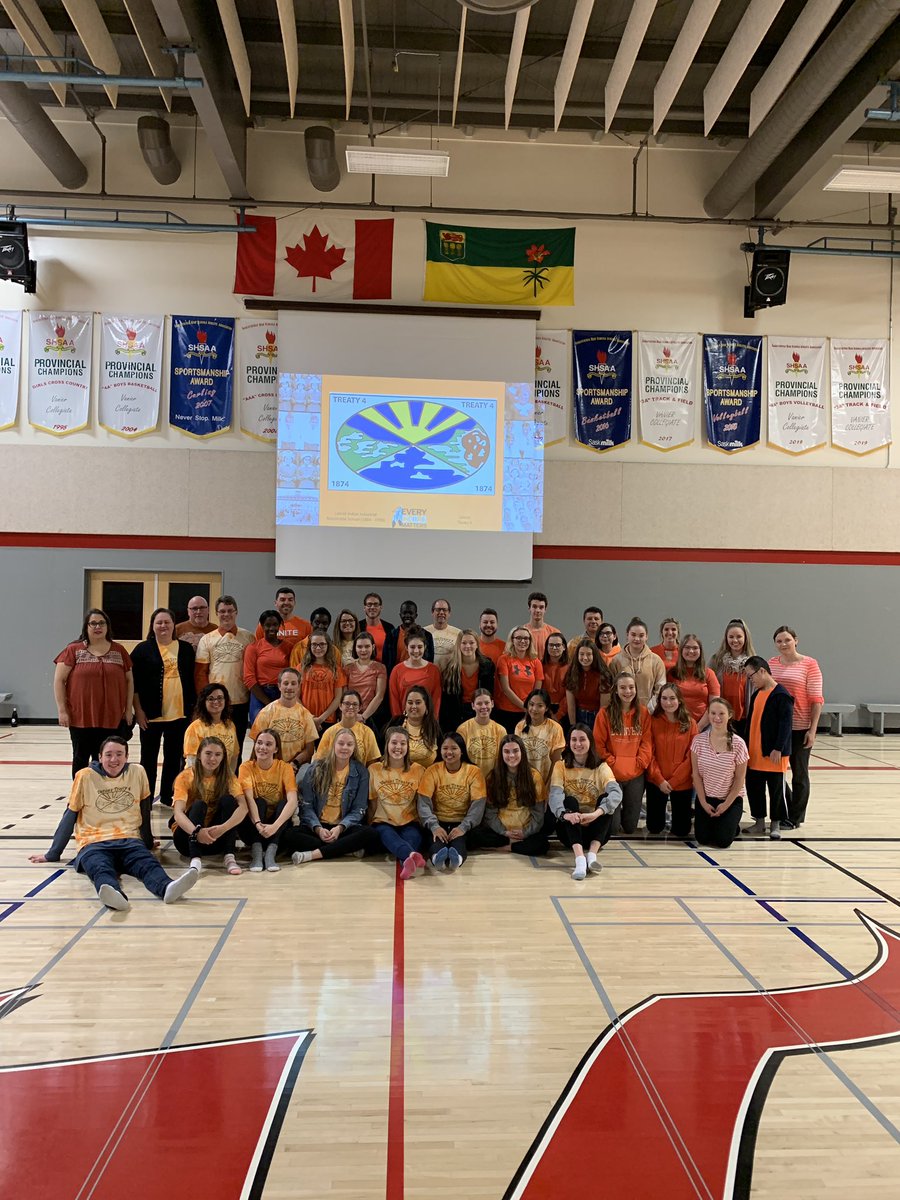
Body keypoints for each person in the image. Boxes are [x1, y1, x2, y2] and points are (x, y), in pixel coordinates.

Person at [28, 735, 199, 909]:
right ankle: (113, 894)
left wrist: (146, 842)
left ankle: (167, 887)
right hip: (93, 842)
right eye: (108, 754)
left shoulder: (138, 772)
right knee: (99, 868)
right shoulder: (85, 776)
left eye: (119, 754)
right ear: (100, 757)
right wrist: (53, 853)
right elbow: (69, 816)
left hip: (129, 839)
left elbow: (144, 812)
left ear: (126, 756)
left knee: (148, 864)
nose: (114, 759)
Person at [54, 608, 134, 778]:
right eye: (93, 623)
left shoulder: (119, 651)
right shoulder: (73, 650)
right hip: (81, 717)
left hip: (112, 717)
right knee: (80, 759)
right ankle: (79, 797)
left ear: (107, 626)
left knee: (109, 759)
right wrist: (62, 710)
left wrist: (128, 710)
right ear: (87, 627)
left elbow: (129, 681)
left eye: (102, 623)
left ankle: (105, 797)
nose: (98, 627)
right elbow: (59, 681)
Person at [131, 606, 195, 806]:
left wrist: (193, 710)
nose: (163, 626)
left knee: (174, 757)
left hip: (179, 714)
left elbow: (192, 681)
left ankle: (168, 795)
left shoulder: (185, 649)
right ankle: (146, 796)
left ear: (173, 625)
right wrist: (138, 711)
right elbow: (134, 684)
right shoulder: (142, 650)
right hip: (151, 714)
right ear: (152, 626)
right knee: (148, 757)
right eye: (159, 622)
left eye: (167, 622)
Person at [284, 729, 372, 864]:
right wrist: (318, 829)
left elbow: (359, 809)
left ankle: (312, 855)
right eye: (341, 743)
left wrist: (340, 828)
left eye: (349, 744)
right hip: (319, 825)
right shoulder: (316, 768)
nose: (344, 748)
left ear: (354, 748)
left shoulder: (361, 772)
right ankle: (344, 849)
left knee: (370, 833)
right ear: (333, 745)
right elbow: (306, 806)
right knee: (289, 835)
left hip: (343, 827)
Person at [549, 725, 622, 879]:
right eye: (574, 740)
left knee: (606, 800)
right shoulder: (560, 766)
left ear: (590, 742)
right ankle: (580, 859)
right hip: (570, 831)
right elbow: (555, 795)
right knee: (569, 801)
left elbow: (616, 793)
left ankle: (592, 856)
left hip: (596, 831)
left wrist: (596, 814)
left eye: (582, 739)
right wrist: (564, 815)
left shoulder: (601, 767)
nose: (578, 744)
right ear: (568, 743)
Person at [768, 626, 824, 829]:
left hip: (800, 727)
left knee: (799, 773)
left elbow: (816, 699)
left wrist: (813, 729)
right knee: (775, 773)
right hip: (778, 728)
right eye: (779, 641)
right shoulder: (772, 664)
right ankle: (788, 808)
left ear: (796, 640)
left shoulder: (810, 664)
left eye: (787, 640)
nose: (783, 644)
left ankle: (796, 817)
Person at [171, 736, 247, 874]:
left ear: (223, 758)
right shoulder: (186, 776)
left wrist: (222, 828)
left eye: (218, 755)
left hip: (215, 838)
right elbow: (178, 813)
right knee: (199, 805)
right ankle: (195, 860)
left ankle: (229, 856)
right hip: (186, 840)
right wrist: (197, 832)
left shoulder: (228, 777)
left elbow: (243, 807)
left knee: (229, 801)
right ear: (199, 755)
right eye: (208, 753)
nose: (212, 759)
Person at [194, 595, 254, 758]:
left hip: (240, 701)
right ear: (216, 613)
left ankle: (233, 781)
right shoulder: (207, 640)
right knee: (213, 747)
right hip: (215, 704)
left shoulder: (248, 637)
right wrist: (205, 701)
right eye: (222, 611)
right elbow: (200, 674)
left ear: (236, 613)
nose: (226, 614)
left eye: (230, 611)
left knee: (237, 748)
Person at [470, 734, 549, 856]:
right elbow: (490, 813)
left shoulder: (534, 776)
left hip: (526, 831)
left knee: (543, 844)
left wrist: (525, 833)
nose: (511, 755)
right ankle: (514, 844)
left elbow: (538, 814)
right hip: (501, 832)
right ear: (501, 754)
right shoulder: (493, 777)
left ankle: (508, 847)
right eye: (507, 752)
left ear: (522, 752)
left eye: (515, 751)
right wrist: (504, 832)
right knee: (474, 834)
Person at [417, 732, 487, 870]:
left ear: (462, 751)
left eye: (454, 748)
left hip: (462, 822)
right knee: (436, 840)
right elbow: (423, 803)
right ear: (440, 750)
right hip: (438, 820)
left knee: (460, 840)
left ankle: (457, 859)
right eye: (445, 748)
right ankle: (438, 858)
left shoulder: (474, 772)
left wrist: (463, 827)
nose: (449, 752)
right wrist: (434, 826)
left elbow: (477, 805)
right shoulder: (432, 770)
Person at [593, 671, 651, 836]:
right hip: (612, 774)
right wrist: (613, 763)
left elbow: (647, 743)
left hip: (636, 773)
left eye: (631, 687)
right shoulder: (604, 714)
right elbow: (599, 746)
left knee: (630, 827)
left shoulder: (644, 713)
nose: (628, 691)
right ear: (616, 690)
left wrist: (639, 763)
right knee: (613, 829)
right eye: (623, 687)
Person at [742, 657, 793, 840]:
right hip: (755, 753)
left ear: (762, 671)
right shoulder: (757, 694)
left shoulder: (781, 695)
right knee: (755, 788)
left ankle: (776, 823)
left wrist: (778, 748)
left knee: (776, 790)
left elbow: (785, 725)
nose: (751, 680)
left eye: (751, 676)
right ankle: (759, 822)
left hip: (773, 755)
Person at [368, 728, 426, 879]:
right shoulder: (374, 769)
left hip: (410, 821)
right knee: (388, 835)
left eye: (403, 743)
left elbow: (422, 802)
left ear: (408, 746)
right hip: (383, 822)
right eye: (394, 743)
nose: (398, 747)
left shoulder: (418, 770)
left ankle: (407, 859)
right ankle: (411, 855)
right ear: (387, 744)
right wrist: (370, 823)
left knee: (411, 838)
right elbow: (373, 802)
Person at [691, 697, 748, 849]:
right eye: (713, 713)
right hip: (707, 798)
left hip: (730, 799)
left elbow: (739, 779)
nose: (717, 718)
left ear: (729, 715)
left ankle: (731, 824)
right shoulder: (698, 741)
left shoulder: (738, 744)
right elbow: (696, 775)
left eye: (721, 714)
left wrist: (725, 804)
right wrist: (703, 802)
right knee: (703, 839)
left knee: (722, 842)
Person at [239, 728, 299, 871]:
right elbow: (248, 799)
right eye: (259, 743)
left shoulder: (285, 768)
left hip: (276, 828)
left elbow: (293, 801)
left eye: (268, 744)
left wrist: (275, 826)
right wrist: (258, 824)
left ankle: (270, 854)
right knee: (258, 801)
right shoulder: (246, 767)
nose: (262, 747)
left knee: (284, 803)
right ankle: (257, 853)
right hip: (254, 826)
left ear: (276, 748)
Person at [647, 683, 698, 838]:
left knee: (682, 831)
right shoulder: (652, 722)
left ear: (679, 700)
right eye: (664, 698)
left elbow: (691, 757)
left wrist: (675, 781)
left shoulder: (690, 723)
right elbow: (648, 754)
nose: (668, 702)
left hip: (681, 783)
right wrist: (659, 779)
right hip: (657, 781)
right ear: (659, 700)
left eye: (672, 698)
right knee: (654, 828)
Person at [249, 668, 318, 769]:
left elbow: (309, 750)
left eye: (293, 683)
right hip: (270, 767)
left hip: (295, 768)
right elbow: (257, 748)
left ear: (299, 686)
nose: (289, 687)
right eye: (286, 683)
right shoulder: (266, 713)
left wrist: (294, 763)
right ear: (279, 686)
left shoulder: (305, 715)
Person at [243, 609, 291, 723]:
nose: (272, 628)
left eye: (275, 624)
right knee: (261, 731)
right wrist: (268, 703)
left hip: (283, 693)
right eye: (267, 625)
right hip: (260, 694)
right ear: (262, 626)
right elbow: (248, 678)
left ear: (280, 625)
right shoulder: (253, 647)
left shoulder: (289, 647)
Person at [709, 619, 756, 734]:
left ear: (745, 638)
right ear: (726, 638)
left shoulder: (753, 662)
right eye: (731, 637)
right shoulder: (716, 660)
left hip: (744, 720)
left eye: (739, 636)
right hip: (720, 718)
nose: (735, 640)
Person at [441, 630, 495, 729]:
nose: (468, 646)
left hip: (480, 711)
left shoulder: (487, 665)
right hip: (457, 714)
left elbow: (490, 693)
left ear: (477, 645)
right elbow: (447, 700)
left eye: (471, 642)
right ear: (459, 645)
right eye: (464, 643)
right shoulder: (451, 668)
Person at [610, 618, 666, 711]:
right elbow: (612, 688)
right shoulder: (617, 660)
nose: (637, 639)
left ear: (646, 637)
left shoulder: (656, 660)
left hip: (648, 713)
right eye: (633, 635)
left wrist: (650, 708)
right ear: (627, 635)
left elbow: (660, 688)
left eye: (641, 635)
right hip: (622, 712)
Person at [496, 627, 545, 732]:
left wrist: (529, 708)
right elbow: (506, 689)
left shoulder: (536, 662)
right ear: (512, 640)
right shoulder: (504, 659)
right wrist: (525, 707)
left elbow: (536, 692)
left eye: (526, 638)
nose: (522, 641)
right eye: (518, 638)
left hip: (529, 713)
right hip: (507, 712)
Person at [295, 632, 346, 732]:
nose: (318, 648)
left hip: (328, 720)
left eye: (322, 644)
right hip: (305, 718)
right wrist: (310, 717)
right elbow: (296, 697)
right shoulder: (301, 668)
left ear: (328, 646)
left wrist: (320, 719)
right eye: (314, 644)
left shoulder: (336, 669)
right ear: (310, 646)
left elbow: (338, 697)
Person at [515, 688, 565, 787]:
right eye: (531, 704)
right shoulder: (520, 726)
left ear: (546, 708)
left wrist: (548, 786)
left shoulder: (555, 728)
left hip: (547, 781)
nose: (534, 709)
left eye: (540, 706)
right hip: (525, 782)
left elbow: (556, 762)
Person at [313, 691, 381, 765]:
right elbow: (320, 760)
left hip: (359, 775)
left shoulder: (367, 732)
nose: (351, 707)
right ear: (340, 706)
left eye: (355, 704)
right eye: (347, 704)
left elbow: (372, 763)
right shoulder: (330, 732)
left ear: (360, 707)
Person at [184, 683, 240, 771]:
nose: (216, 702)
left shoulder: (230, 725)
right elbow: (192, 762)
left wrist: (229, 778)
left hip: (223, 779)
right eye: (211, 699)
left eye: (220, 698)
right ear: (204, 702)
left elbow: (234, 756)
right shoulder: (195, 728)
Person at [383, 686, 442, 768]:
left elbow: (441, 758)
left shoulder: (434, 727)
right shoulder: (395, 723)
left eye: (418, 703)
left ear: (427, 706)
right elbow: (382, 754)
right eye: (410, 703)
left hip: (426, 777)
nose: (413, 706)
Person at [668, 634, 719, 728]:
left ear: (700, 651)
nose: (691, 651)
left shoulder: (709, 673)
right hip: (676, 724)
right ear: (681, 650)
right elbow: (666, 703)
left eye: (695, 648)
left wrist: (698, 727)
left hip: (704, 725)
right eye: (687, 647)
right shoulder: (672, 673)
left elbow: (714, 705)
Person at [389, 628, 442, 717]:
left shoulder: (434, 670)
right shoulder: (397, 670)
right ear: (406, 647)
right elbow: (394, 701)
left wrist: (432, 723)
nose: (416, 651)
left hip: (427, 722)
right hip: (404, 723)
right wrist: (399, 723)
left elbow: (436, 700)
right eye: (412, 647)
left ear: (425, 647)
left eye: (420, 647)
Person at [457, 688, 507, 777]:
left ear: (492, 704)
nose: (484, 707)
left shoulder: (500, 730)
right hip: (469, 779)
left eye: (487, 703)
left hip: (493, 780)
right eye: (479, 703)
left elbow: (502, 760)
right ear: (473, 706)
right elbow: (459, 759)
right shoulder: (463, 729)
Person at [565, 639, 614, 728]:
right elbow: (571, 705)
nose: (585, 658)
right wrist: (573, 726)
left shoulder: (603, 675)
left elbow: (604, 707)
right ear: (577, 655)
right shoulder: (572, 673)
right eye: (582, 654)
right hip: (578, 715)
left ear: (594, 655)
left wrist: (600, 727)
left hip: (597, 716)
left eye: (588, 654)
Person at [345, 631, 388, 726]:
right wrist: (351, 714)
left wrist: (363, 716)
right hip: (349, 715)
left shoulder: (380, 668)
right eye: (360, 647)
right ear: (355, 648)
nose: (363, 650)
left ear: (373, 647)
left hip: (371, 717)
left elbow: (379, 696)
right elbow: (344, 694)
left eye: (367, 646)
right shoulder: (348, 668)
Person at [384, 600, 435, 671]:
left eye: (410, 613)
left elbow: (430, 660)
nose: (407, 616)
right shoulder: (391, 636)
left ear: (416, 615)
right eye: (404, 613)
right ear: (400, 615)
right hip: (398, 675)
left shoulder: (427, 636)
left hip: (421, 675)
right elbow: (386, 660)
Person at [425, 598, 461, 670]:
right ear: (432, 612)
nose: (441, 612)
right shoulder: (423, 632)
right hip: (428, 675)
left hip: (450, 676)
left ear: (449, 613)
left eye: (444, 610)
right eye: (438, 610)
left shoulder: (458, 633)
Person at [359, 591, 395, 663]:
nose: (372, 607)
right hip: (362, 670)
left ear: (381, 607)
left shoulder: (389, 628)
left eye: (376, 604)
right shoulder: (358, 626)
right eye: (369, 604)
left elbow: (393, 652)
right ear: (364, 608)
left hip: (384, 670)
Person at [541, 632, 569, 722]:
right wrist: (547, 711)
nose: (554, 648)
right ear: (546, 647)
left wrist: (559, 714)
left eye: (557, 645)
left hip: (565, 711)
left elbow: (569, 695)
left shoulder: (570, 667)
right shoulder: (539, 665)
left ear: (564, 647)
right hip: (543, 710)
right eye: (551, 645)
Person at [524, 591, 559, 657]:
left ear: (545, 609)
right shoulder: (521, 633)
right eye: (534, 606)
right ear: (529, 608)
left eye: (541, 607)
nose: (537, 610)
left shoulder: (554, 633)